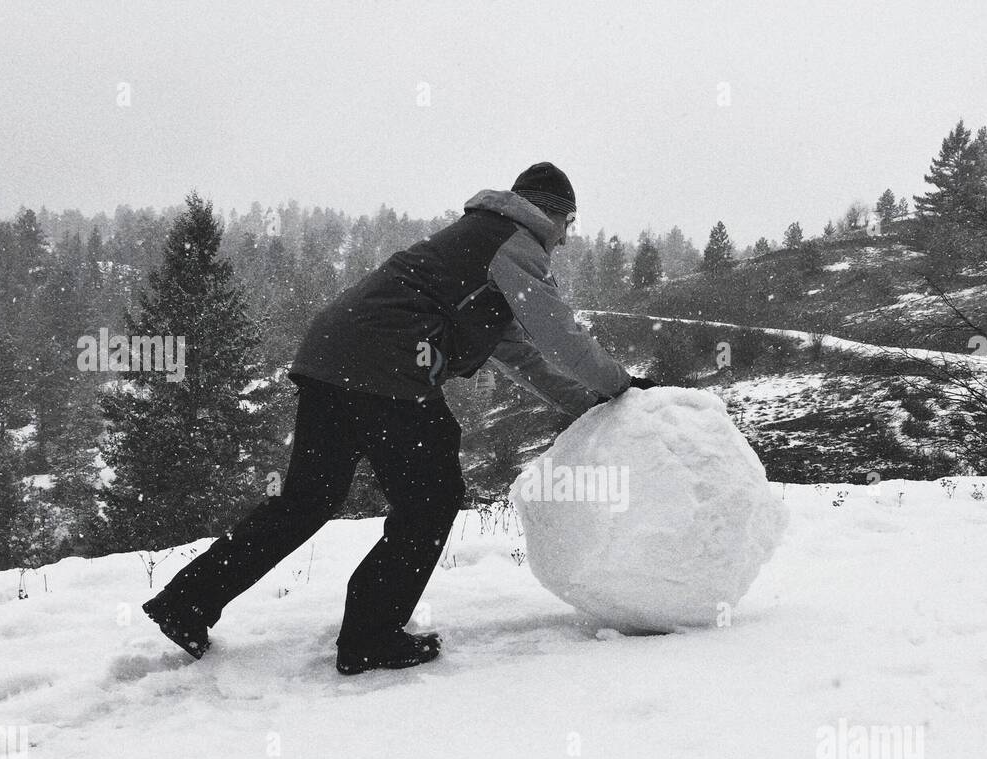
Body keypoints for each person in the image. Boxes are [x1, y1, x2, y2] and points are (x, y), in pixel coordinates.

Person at [143, 162, 654, 675]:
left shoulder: (475, 244)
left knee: (307, 497)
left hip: (331, 358)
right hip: (386, 366)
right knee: (431, 498)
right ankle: (370, 635)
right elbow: (558, 335)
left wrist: (595, 403)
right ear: (553, 214)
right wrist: (622, 385)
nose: (566, 240)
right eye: (569, 225)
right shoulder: (513, 242)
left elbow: (524, 356)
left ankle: (186, 603)